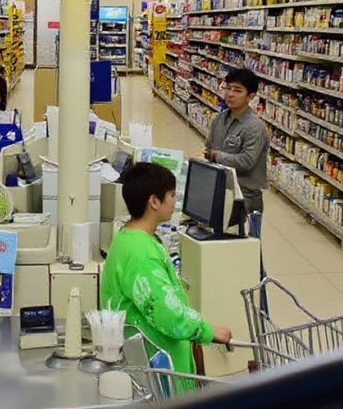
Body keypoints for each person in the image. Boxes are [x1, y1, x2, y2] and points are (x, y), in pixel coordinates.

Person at [100, 163, 232, 394]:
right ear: (154, 202)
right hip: (160, 371)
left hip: (149, 363)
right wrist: (207, 332)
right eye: (171, 194)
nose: (174, 200)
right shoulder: (142, 255)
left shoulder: (129, 239)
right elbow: (168, 314)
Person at [204, 67, 268, 214]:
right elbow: (208, 148)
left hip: (245, 196)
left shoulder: (254, 126)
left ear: (250, 96)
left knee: (241, 236)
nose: (230, 94)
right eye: (228, 88)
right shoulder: (220, 119)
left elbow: (246, 161)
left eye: (238, 90)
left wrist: (216, 156)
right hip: (221, 187)